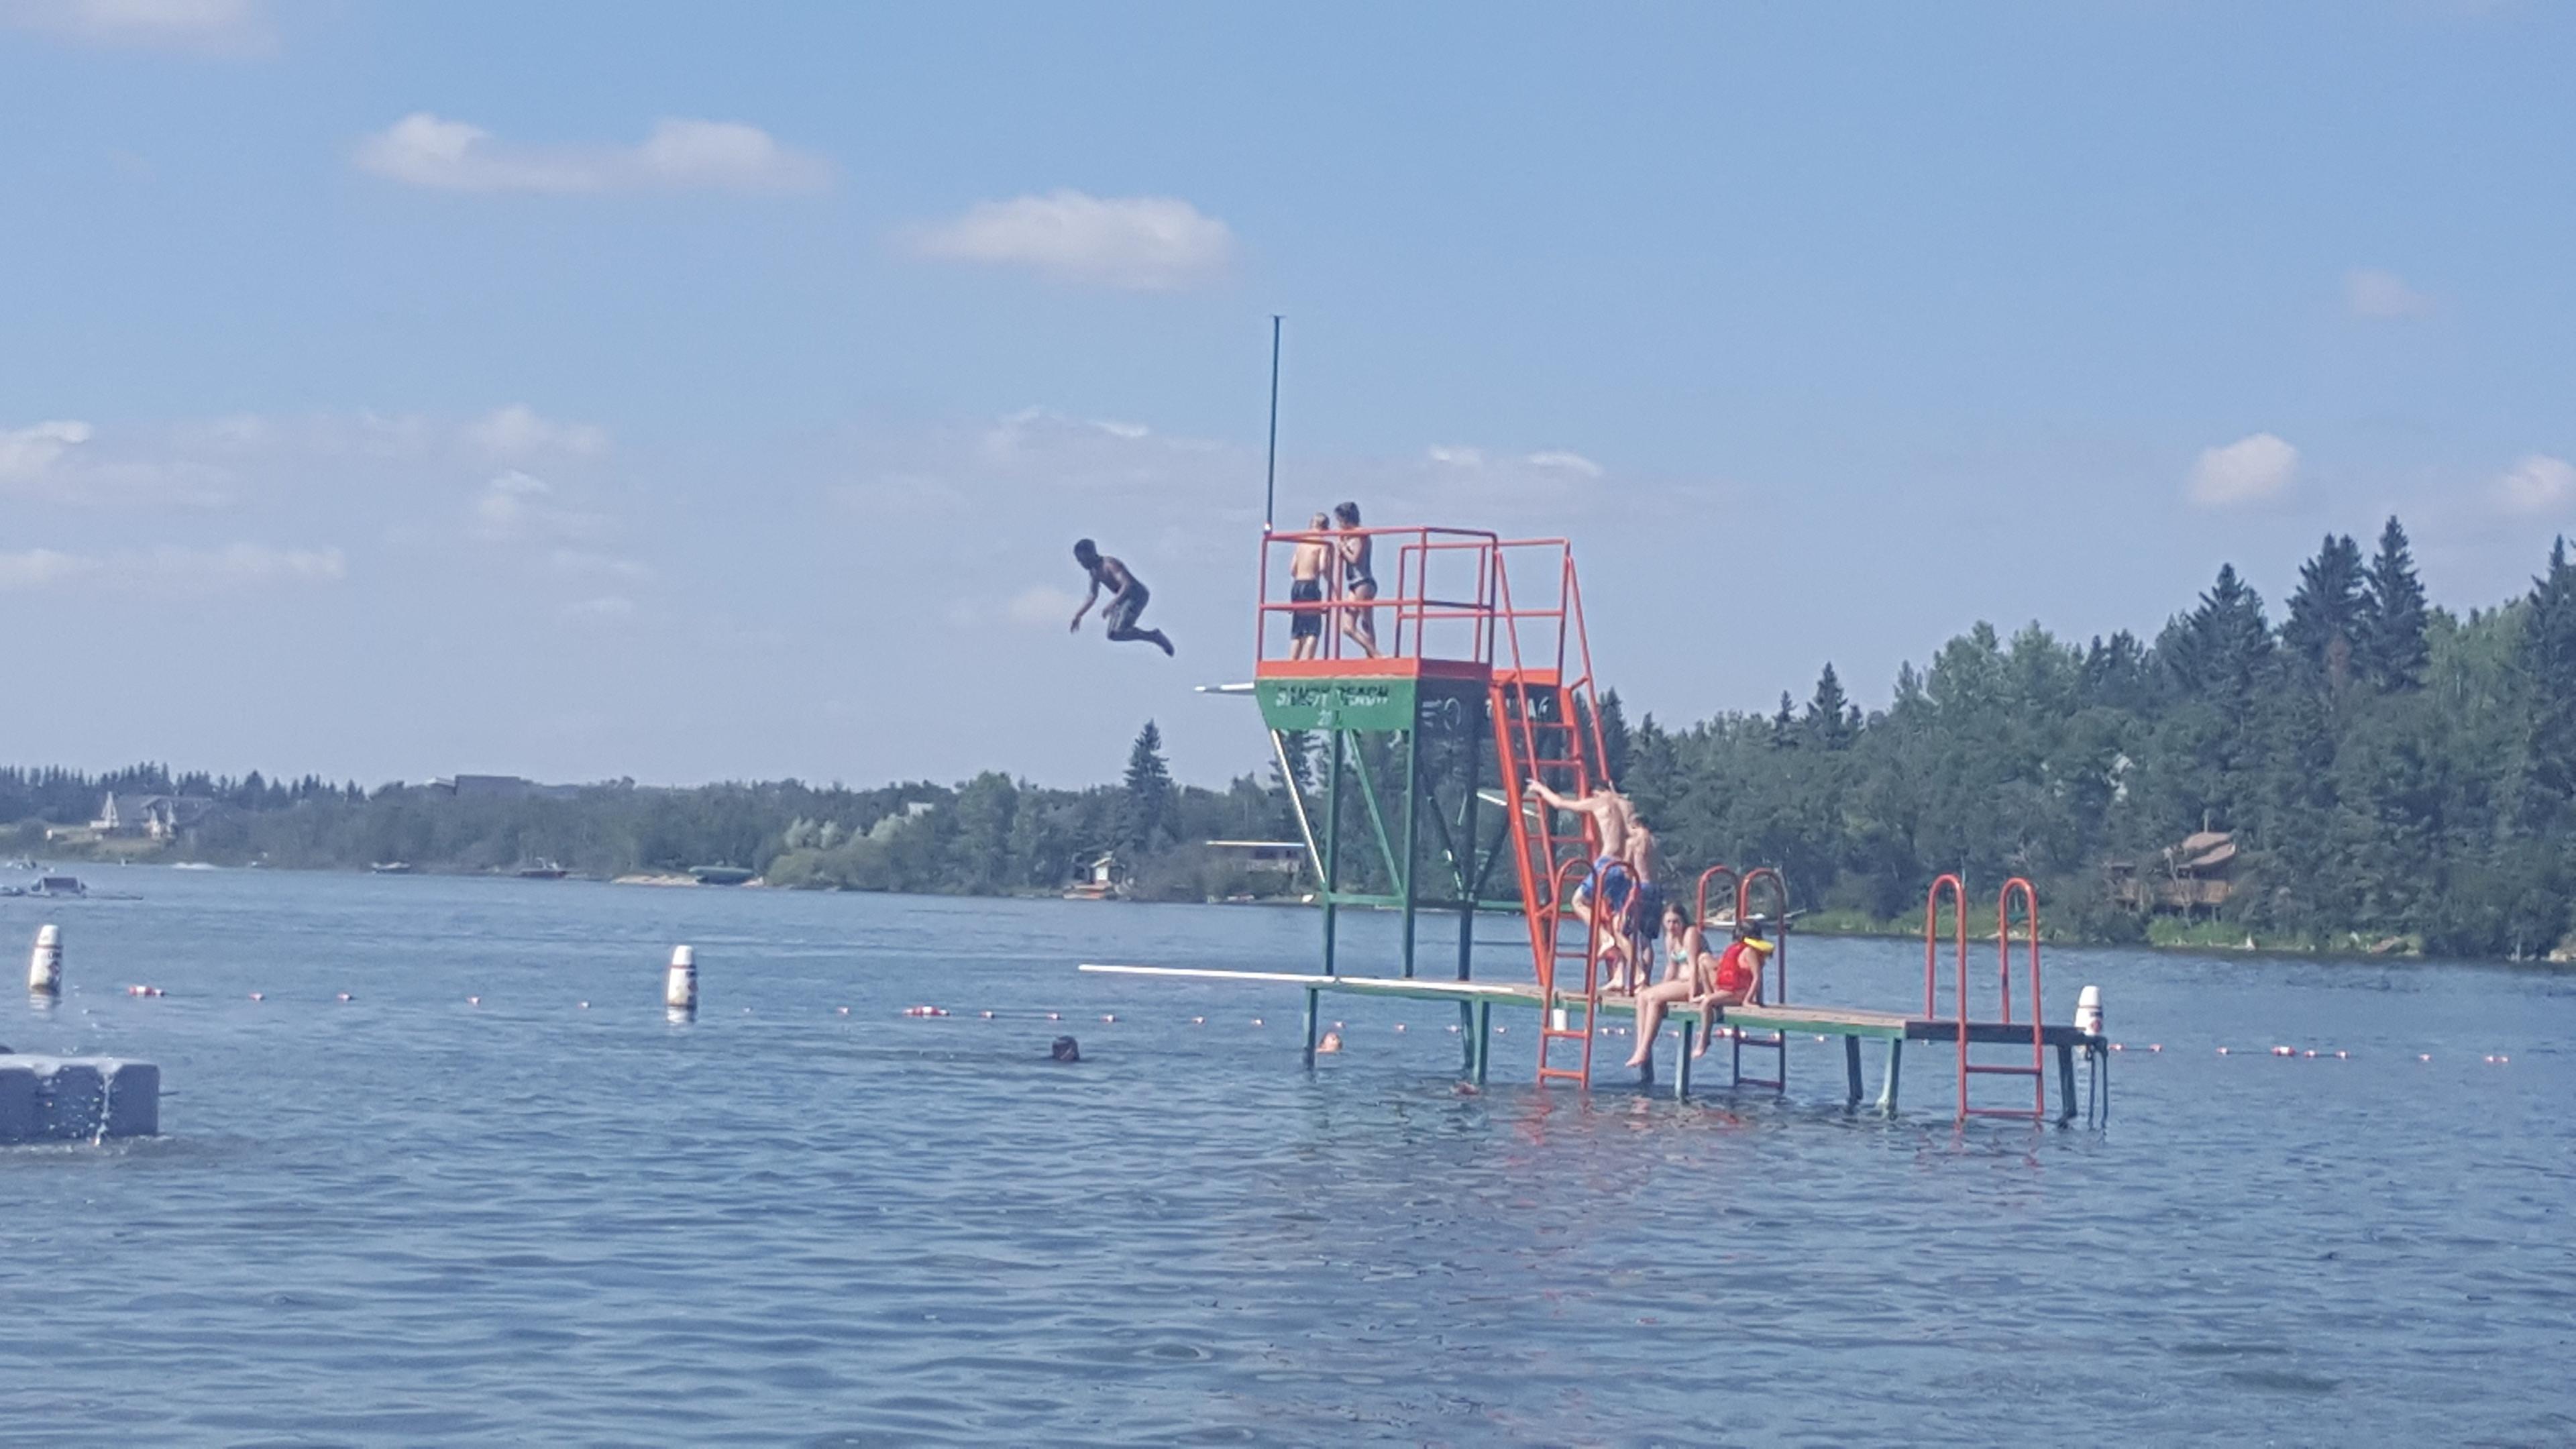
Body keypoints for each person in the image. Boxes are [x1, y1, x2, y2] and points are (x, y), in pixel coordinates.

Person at [1070, 539, 1174, 656]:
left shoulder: (1109, 564)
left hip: (1137, 595)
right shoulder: (1094, 572)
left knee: (1120, 630)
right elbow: (1092, 596)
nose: (1081, 564)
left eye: (1082, 560)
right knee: (1113, 635)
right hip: (1123, 600)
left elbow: (1127, 584)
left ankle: (1155, 637)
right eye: (1079, 561)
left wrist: (1112, 604)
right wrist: (1078, 615)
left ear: (1090, 554)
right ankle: (1152, 636)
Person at [1690, 928, 1773, 1058]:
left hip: (1740, 992)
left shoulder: (1749, 952)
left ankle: (1704, 1041)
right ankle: (1709, 995)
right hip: (1729, 989)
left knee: (1707, 1003)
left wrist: (1749, 1000)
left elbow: (1757, 977)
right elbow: (1723, 967)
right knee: (1703, 960)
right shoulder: (1736, 949)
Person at [1332, 500, 1378, 658]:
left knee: (1366, 622)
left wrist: (1343, 548)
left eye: (1339, 520)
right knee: (1347, 627)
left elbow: (1355, 559)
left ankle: (1373, 656)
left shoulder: (1360, 535)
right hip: (1353, 583)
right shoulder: (1348, 536)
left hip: (1363, 582)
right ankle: (1373, 652)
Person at [1287, 513, 1330, 660]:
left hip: (1297, 585)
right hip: (1311, 584)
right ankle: (1307, 662)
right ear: (1325, 528)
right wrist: (1331, 581)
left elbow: (1292, 569)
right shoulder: (1321, 543)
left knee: (1298, 627)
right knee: (1313, 627)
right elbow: (1323, 566)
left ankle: (1292, 663)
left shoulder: (1301, 543)